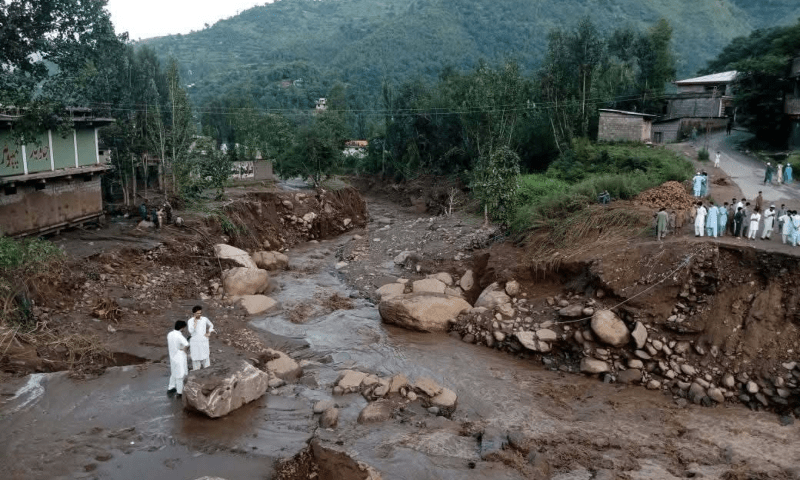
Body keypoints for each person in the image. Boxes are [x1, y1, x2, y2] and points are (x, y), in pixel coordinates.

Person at [188, 305, 215, 370]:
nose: (199, 314)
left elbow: (211, 325)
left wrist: (209, 332)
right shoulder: (190, 321)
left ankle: (207, 370)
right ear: (194, 313)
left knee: (205, 356)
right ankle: (196, 372)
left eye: (200, 313)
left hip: (203, 340)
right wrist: (195, 323)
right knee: (195, 357)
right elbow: (190, 331)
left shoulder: (204, 319)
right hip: (195, 342)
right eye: (198, 313)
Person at [167, 320, 189, 397]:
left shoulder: (170, 334)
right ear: (182, 328)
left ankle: (171, 387)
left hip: (172, 356)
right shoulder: (180, 336)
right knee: (180, 374)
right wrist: (184, 351)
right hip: (179, 356)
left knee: (173, 372)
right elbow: (186, 344)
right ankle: (180, 392)